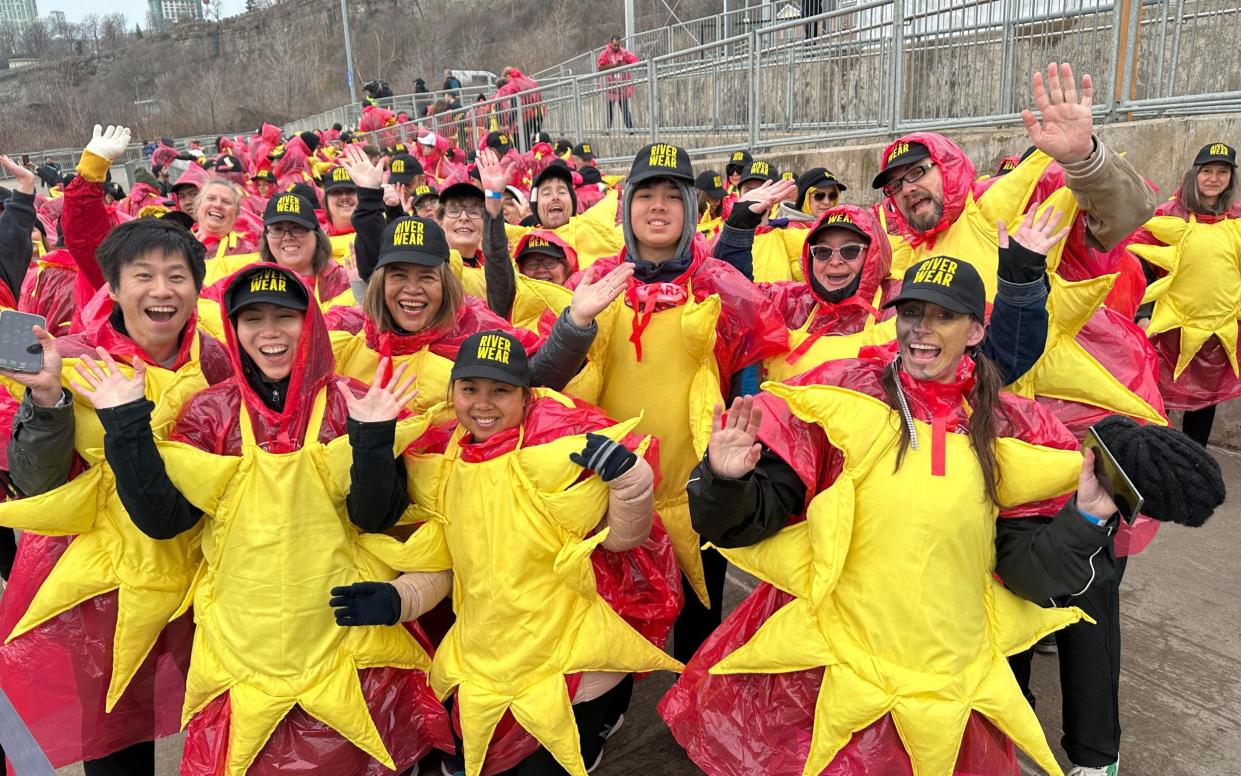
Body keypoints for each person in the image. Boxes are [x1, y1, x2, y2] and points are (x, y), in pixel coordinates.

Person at [660, 254, 1127, 776]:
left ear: (975, 331)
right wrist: (727, 482)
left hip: (937, 680)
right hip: (823, 663)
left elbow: (1025, 573)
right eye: (910, 313)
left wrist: (1084, 520)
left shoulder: (1012, 426)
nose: (921, 329)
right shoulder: (843, 391)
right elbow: (749, 520)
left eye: (942, 316)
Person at [67, 263, 449, 774]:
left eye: (284, 317)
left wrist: (374, 437)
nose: (269, 332)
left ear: (309, 323)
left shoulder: (350, 403)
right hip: (242, 649)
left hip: (345, 640)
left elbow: (374, 516)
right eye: (253, 319)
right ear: (233, 329)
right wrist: (125, 423)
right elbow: (165, 521)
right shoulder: (208, 414)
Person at [332, 328, 682, 776]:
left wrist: (630, 479)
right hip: (484, 659)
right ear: (453, 390)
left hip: (566, 666)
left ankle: (591, 735)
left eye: (501, 391)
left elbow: (621, 541)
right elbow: (449, 568)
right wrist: (398, 599)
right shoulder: (447, 467)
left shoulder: (554, 461)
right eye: (470, 388)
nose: (483, 404)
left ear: (525, 397)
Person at [0, 218, 229, 776]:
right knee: (116, 738)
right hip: (104, 592)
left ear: (196, 288)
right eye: (143, 275)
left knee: (216, 719)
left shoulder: (222, 360)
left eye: (176, 276)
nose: (160, 290)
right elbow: (36, 484)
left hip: (204, 578)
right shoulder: (73, 361)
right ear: (115, 287)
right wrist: (50, 399)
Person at [558, 143, 788, 662]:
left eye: (671, 195)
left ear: (690, 207)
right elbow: (556, 377)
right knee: (613, 619)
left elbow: (746, 373)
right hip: (612, 490)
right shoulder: (594, 286)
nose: (658, 206)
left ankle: (691, 710)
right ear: (627, 208)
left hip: (697, 494)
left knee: (698, 625)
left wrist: (738, 466)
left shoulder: (720, 287)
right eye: (646, 195)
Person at [1130, 141, 1241, 447]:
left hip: (1217, 331)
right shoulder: (1169, 215)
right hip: (1168, 329)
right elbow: (1142, 268)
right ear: (1194, 174)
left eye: (1222, 172)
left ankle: (1193, 460)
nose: (1214, 178)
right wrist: (1144, 313)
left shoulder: (1236, 220)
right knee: (1158, 396)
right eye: (1207, 171)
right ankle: (1157, 458)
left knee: (1205, 399)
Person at [193, 178, 260, 259]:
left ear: (236, 214)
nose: (218, 205)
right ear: (197, 206)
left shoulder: (248, 252)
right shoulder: (178, 245)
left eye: (226, 202)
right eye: (211, 198)